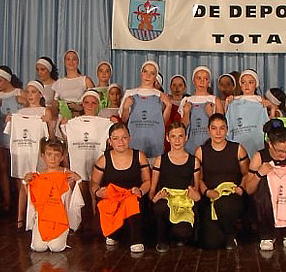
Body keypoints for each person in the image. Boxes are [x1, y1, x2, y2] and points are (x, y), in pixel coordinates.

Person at [245, 119, 286, 251]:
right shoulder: (260, 156)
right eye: (280, 151)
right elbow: (249, 189)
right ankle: (267, 234)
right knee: (264, 185)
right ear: (270, 144)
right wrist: (259, 174)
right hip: (266, 202)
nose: (284, 154)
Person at [90, 122, 151, 253]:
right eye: (116, 138)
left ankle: (136, 239)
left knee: (131, 202)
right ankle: (114, 233)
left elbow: (147, 181)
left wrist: (140, 190)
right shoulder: (103, 159)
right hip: (112, 200)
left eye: (124, 137)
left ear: (130, 138)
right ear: (110, 141)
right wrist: (98, 192)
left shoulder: (139, 156)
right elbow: (94, 183)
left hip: (133, 199)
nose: (121, 142)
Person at [60, 90, 112, 231]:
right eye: (87, 102)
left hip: (96, 162)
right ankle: (80, 222)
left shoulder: (105, 124)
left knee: (94, 192)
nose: (90, 105)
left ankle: (97, 223)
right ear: (82, 104)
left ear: (98, 105)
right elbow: (65, 140)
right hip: (78, 163)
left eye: (93, 103)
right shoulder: (72, 123)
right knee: (80, 191)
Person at [195, 113, 249, 250]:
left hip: (232, 196)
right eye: (214, 128)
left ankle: (231, 235)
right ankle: (226, 232)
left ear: (227, 129)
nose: (218, 132)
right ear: (208, 130)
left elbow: (247, 174)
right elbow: (199, 178)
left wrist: (241, 188)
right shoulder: (201, 151)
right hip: (211, 197)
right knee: (211, 242)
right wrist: (207, 192)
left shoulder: (238, 149)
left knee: (225, 204)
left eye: (222, 128)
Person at [4, 81, 53, 229]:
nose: (30, 95)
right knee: (23, 186)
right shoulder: (20, 113)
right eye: (28, 92)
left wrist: (48, 123)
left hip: (38, 153)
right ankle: (21, 217)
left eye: (33, 92)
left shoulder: (45, 111)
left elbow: (49, 137)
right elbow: (10, 133)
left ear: (40, 94)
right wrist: (10, 121)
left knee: (38, 186)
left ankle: (38, 216)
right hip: (23, 152)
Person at [24, 139, 84, 252]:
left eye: (57, 155)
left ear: (62, 157)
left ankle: (65, 235)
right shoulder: (38, 175)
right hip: (43, 217)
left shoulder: (67, 174)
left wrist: (78, 180)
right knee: (38, 247)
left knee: (56, 247)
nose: (53, 158)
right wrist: (25, 182)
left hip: (60, 217)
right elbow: (32, 198)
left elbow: (76, 196)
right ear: (43, 156)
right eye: (49, 154)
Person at [149, 122, 201, 252]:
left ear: (186, 137)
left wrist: (195, 196)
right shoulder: (160, 160)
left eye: (180, 136)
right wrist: (155, 198)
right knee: (160, 207)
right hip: (166, 201)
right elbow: (152, 191)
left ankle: (176, 232)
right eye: (173, 136)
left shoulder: (194, 161)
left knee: (184, 233)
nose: (177, 140)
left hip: (184, 203)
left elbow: (197, 191)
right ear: (167, 138)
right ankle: (162, 240)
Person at [119, 61, 172, 162]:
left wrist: (168, 106)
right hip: (134, 143)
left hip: (155, 144)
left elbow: (162, 122)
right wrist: (125, 108)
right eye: (145, 71)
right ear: (141, 73)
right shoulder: (130, 93)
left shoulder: (160, 95)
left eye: (152, 73)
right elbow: (124, 120)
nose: (148, 75)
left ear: (155, 76)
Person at [0, 66, 23, 212]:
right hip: (0, 134)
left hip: (16, 135)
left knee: (17, 168)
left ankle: (21, 200)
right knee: (2, 168)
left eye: (0, 80)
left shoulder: (19, 93)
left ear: (7, 80)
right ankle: (7, 201)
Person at [225, 69, 270, 158]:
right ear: (240, 85)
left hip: (256, 146)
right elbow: (227, 125)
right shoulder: (233, 102)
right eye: (243, 82)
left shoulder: (261, 102)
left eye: (250, 82)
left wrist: (270, 107)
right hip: (237, 147)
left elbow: (267, 126)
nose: (246, 85)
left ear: (256, 84)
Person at [179, 66, 224, 155]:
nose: (202, 81)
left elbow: (221, 126)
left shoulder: (215, 100)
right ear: (193, 81)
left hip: (211, 146)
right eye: (199, 78)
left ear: (208, 82)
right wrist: (186, 112)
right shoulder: (186, 100)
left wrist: (210, 114)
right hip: (190, 145)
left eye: (205, 78)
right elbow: (182, 127)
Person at [52, 50, 95, 117]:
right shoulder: (59, 82)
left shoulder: (86, 80)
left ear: (78, 61)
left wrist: (79, 108)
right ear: (64, 62)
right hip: (63, 119)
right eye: (68, 59)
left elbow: (94, 100)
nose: (71, 62)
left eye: (74, 59)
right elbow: (55, 102)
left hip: (82, 117)